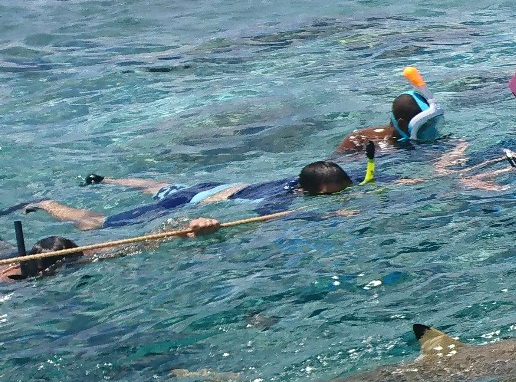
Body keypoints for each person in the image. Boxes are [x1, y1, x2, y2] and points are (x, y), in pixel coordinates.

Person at [4, 160, 354, 231]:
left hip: (208, 189)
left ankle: (105, 178)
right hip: (190, 202)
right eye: (329, 195)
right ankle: (47, 203)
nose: (336, 196)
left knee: (158, 185)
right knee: (97, 224)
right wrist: (327, 215)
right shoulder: (282, 199)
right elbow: (268, 218)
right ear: (311, 191)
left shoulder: (297, 179)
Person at [336, 90, 445, 155]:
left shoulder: (422, 139)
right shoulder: (359, 142)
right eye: (424, 126)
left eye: (434, 123)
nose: (433, 130)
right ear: (402, 125)